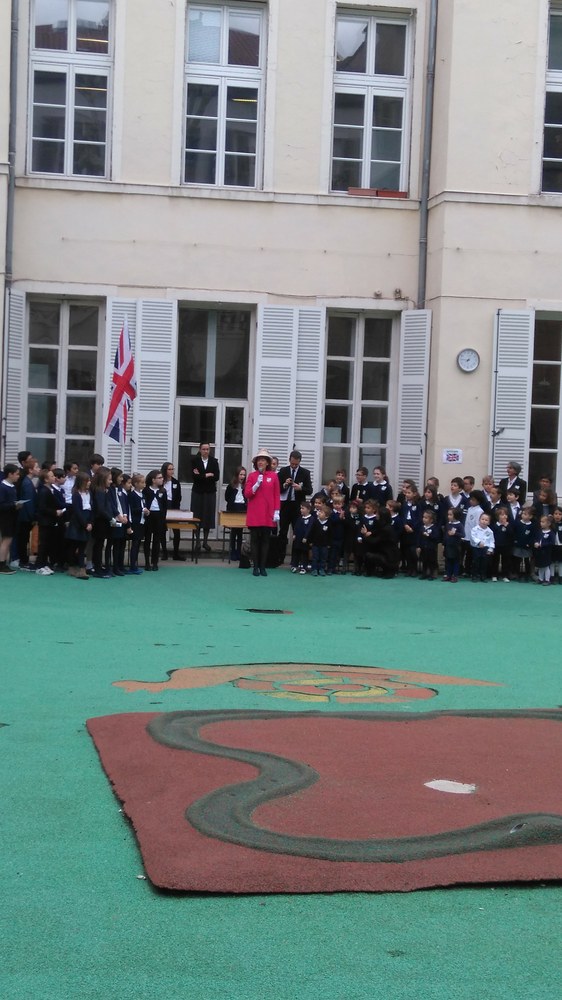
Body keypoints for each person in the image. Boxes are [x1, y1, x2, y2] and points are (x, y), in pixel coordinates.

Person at [244, 449, 280, 577]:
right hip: (255, 513)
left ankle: (263, 566)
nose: (261, 462)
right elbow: (247, 494)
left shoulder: (273, 476)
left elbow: (276, 495)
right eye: (259, 460)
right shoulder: (252, 476)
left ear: (267, 462)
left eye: (263, 460)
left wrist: (277, 511)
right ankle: (255, 566)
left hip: (268, 513)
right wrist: (256, 485)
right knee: (254, 540)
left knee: (265, 540)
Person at [278, 450, 312, 561]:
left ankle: (295, 559)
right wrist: (284, 484)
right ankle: (280, 557)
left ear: (299, 462)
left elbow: (309, 490)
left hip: (297, 506)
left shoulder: (305, 473)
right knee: (283, 531)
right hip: (285, 505)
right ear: (289, 460)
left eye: (296, 464)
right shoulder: (283, 471)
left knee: (297, 532)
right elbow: (277, 488)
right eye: (292, 463)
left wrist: (300, 488)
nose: (293, 466)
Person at [190, 443, 220, 553]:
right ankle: (197, 541)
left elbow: (216, 477)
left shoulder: (214, 461)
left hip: (209, 492)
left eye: (207, 449)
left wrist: (201, 475)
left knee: (207, 516)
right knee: (196, 516)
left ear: (209, 450)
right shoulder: (195, 461)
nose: (205, 451)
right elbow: (194, 477)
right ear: (200, 450)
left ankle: (205, 541)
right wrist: (207, 475)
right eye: (203, 449)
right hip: (197, 492)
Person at [66, 472, 93, 580]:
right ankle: (71, 566)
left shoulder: (89, 493)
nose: (89, 483)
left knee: (82, 547)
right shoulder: (76, 494)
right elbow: (77, 511)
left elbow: (91, 509)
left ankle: (82, 569)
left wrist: (90, 522)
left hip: (87, 521)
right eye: (87, 481)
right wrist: (85, 524)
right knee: (73, 546)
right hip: (78, 523)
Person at [91, 467, 115, 579]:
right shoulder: (99, 491)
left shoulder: (103, 490)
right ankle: (98, 569)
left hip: (103, 520)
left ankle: (99, 567)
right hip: (100, 521)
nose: (111, 481)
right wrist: (110, 518)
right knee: (98, 545)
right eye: (109, 479)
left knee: (99, 545)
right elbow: (101, 509)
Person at [0, 464, 23, 574]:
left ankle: (3, 562)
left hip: (12, 517)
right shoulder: (3, 487)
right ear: (10, 474)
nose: (18, 476)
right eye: (17, 474)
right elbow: (1, 505)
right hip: (5, 518)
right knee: (6, 540)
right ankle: (1, 564)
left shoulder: (12, 486)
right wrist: (14, 505)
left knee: (8, 541)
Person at [143, 469, 168, 571]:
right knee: (147, 539)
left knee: (156, 540)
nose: (162, 479)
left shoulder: (163, 491)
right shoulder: (146, 490)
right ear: (153, 480)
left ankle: (155, 562)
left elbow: (165, 506)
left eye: (162, 477)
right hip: (149, 516)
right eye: (159, 478)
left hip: (159, 516)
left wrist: (163, 519)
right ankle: (147, 562)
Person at [161, 462, 184, 561]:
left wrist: (176, 508)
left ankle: (176, 553)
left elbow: (178, 496)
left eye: (172, 469)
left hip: (173, 506)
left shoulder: (175, 482)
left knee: (176, 531)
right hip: (163, 506)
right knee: (162, 530)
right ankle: (164, 553)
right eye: (169, 469)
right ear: (165, 470)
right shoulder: (161, 481)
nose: (171, 471)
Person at [225, 466, 247, 561]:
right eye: (241, 474)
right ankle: (232, 551)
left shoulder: (245, 486)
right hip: (233, 509)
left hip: (242, 509)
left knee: (240, 533)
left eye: (244, 475)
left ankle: (239, 552)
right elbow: (227, 497)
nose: (242, 476)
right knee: (233, 532)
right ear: (237, 475)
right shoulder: (231, 486)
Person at [128, 474, 149, 575]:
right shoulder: (132, 495)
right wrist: (142, 510)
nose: (144, 484)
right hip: (135, 522)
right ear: (136, 484)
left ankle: (135, 564)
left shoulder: (142, 495)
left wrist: (146, 512)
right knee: (135, 544)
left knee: (138, 543)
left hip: (142, 522)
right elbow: (131, 509)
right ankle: (132, 565)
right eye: (142, 482)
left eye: (144, 482)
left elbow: (144, 506)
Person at [308, 501, 333, 577]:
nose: (319, 513)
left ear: (326, 516)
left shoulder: (329, 523)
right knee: (315, 557)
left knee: (323, 558)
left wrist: (329, 544)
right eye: (319, 512)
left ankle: (321, 569)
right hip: (315, 544)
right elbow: (311, 532)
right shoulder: (315, 522)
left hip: (324, 545)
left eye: (321, 513)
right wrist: (310, 541)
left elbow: (330, 535)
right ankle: (314, 569)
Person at [470, 512, 495, 582]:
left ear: (489, 522)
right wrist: (479, 542)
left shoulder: (490, 531)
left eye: (486, 520)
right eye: (482, 519)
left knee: (484, 563)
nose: (484, 521)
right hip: (476, 548)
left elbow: (491, 541)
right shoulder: (475, 529)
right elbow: (473, 537)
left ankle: (483, 576)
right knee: (475, 562)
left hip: (485, 549)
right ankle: (474, 576)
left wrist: (490, 549)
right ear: (479, 520)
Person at [290, 500, 314, 574]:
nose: (301, 510)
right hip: (298, 539)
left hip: (305, 540)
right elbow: (296, 526)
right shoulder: (300, 518)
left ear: (308, 510)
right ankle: (294, 565)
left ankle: (304, 567)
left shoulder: (311, 519)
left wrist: (306, 537)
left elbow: (309, 529)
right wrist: (294, 534)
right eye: (301, 508)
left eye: (303, 508)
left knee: (304, 553)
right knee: (296, 552)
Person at [491, 508, 514, 582]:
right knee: (495, 561)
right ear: (498, 516)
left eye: (505, 514)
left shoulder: (509, 525)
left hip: (506, 546)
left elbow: (511, 534)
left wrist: (506, 526)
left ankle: (505, 575)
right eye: (502, 515)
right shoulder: (495, 525)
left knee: (506, 561)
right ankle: (494, 575)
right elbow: (492, 535)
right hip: (496, 545)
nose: (504, 516)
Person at [417, 509, 440, 580]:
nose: (424, 519)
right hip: (423, 548)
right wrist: (419, 546)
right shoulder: (422, 527)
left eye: (426, 518)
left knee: (432, 561)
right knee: (424, 561)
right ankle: (424, 573)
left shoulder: (434, 528)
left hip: (431, 548)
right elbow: (419, 537)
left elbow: (436, 537)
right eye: (423, 517)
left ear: (431, 520)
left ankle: (432, 574)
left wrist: (429, 535)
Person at [442, 507, 464, 582]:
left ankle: (455, 576)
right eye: (448, 514)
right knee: (448, 561)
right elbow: (446, 534)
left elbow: (463, 535)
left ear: (456, 515)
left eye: (450, 515)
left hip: (456, 546)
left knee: (455, 561)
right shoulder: (448, 524)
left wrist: (455, 533)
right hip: (448, 546)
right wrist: (444, 543)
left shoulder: (459, 525)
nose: (448, 516)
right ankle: (448, 575)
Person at [533, 514, 555, 586]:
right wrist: (535, 543)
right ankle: (540, 579)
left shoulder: (551, 533)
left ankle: (547, 580)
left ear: (548, 523)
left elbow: (551, 542)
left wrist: (542, 545)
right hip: (539, 552)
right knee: (540, 566)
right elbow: (536, 538)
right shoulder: (539, 531)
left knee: (546, 566)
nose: (541, 523)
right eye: (541, 522)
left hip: (546, 552)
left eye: (543, 522)